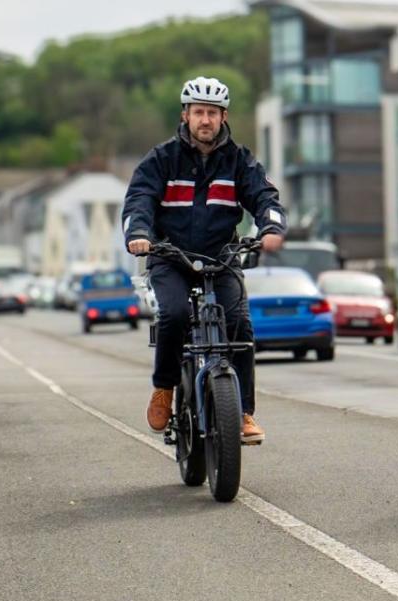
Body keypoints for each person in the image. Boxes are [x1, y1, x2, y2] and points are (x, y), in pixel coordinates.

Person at [122, 76, 287, 445]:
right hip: (169, 256)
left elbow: (265, 198)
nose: (205, 120)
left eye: (212, 113)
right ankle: (164, 388)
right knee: (175, 316)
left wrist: (271, 227)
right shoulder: (161, 159)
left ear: (223, 117)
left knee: (240, 324)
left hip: (221, 255)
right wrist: (139, 235)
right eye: (198, 112)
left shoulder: (239, 160)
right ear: (186, 115)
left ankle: (242, 412)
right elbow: (139, 201)